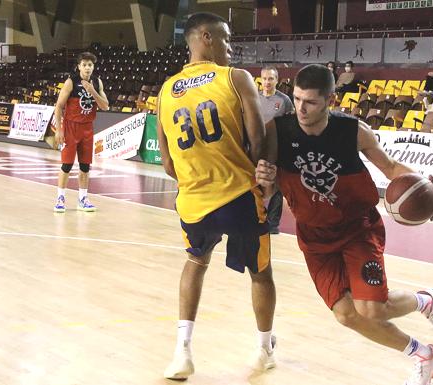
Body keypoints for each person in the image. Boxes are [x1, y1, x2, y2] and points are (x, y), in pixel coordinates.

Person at [256, 64, 433, 385]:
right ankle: (424, 355)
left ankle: (429, 300)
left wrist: (428, 189)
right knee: (346, 314)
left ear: (330, 100)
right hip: (314, 237)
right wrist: (265, 180)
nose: (300, 108)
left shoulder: (353, 130)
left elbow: (391, 167)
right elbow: (268, 190)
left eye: (309, 102)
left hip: (356, 229)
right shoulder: (277, 131)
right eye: (296, 99)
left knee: (373, 310)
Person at [156, 12, 276, 380]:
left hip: (193, 201)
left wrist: (194, 177)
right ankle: (263, 349)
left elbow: (166, 164)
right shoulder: (235, 77)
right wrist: (262, 169)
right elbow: (257, 137)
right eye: (225, 39)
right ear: (205, 37)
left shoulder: (165, 90)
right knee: (260, 272)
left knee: (195, 263)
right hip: (239, 194)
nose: (230, 47)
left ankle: (182, 352)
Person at [53, 51, 109, 213]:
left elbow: (105, 106)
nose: (87, 68)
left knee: (85, 167)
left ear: (93, 67)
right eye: (84, 65)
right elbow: (59, 106)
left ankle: (83, 199)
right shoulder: (71, 82)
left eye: (90, 65)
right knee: (66, 165)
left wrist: (92, 91)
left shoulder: (97, 83)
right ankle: (60, 198)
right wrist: (59, 129)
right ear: (78, 67)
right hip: (71, 128)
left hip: (87, 128)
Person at [259, 65, 294, 234]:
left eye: (271, 78)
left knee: (276, 185)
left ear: (277, 80)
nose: (267, 82)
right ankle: (254, 217)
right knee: (254, 182)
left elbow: (291, 124)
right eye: (264, 78)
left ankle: (272, 223)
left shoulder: (285, 101)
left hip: (278, 148)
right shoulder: (254, 98)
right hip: (257, 147)